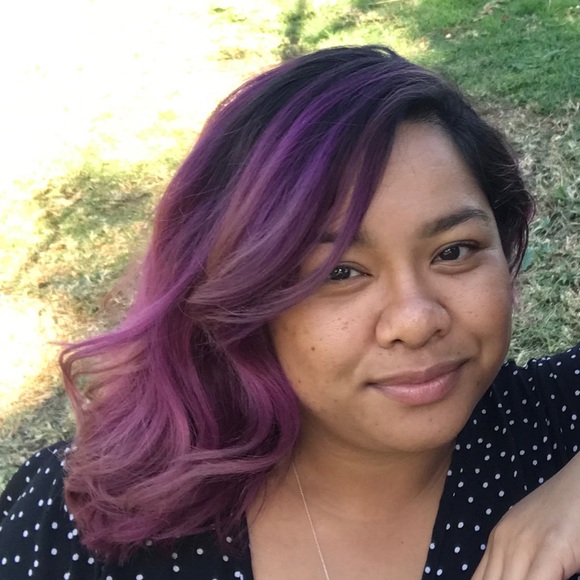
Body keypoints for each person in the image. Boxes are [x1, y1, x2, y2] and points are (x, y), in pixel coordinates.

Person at [1, 45, 579, 580]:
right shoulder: (83, 524)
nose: (416, 320)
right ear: (239, 294)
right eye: (339, 273)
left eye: (453, 252)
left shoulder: (557, 430)